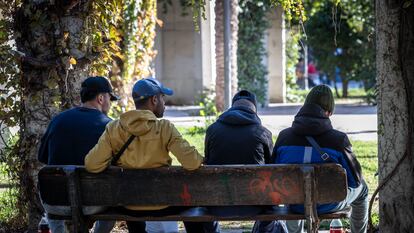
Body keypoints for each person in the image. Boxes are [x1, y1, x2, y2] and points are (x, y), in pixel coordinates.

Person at [84, 77, 204, 233]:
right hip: (163, 204)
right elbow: (192, 163)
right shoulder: (164, 128)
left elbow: (92, 165)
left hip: (128, 204)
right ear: (154, 100)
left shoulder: (114, 128)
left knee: (134, 202)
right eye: (163, 98)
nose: (165, 103)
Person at [272, 85, 368, 233]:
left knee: (293, 194)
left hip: (294, 204)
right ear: (328, 112)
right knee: (363, 189)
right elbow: (355, 181)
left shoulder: (284, 137)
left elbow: (273, 174)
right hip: (329, 202)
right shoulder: (338, 140)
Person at [189, 90, 286, 233]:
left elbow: (208, 162)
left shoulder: (212, 130)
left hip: (217, 205)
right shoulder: (263, 133)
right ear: (254, 110)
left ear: (232, 107)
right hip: (257, 205)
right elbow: (272, 168)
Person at [38, 76, 119, 233]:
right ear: (101, 98)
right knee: (113, 202)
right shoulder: (110, 126)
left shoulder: (58, 120)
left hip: (56, 203)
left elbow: (42, 158)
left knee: (50, 189)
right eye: (110, 98)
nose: (110, 103)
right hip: (94, 204)